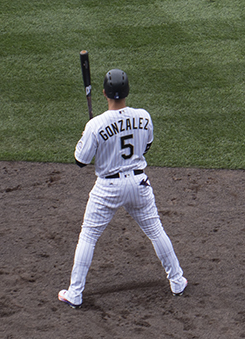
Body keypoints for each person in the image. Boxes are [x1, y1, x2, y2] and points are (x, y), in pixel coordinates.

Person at [58, 68, 187, 308]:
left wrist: (90, 135)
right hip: (139, 183)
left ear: (104, 93)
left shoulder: (96, 124)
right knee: (156, 231)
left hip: (108, 188)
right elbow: (145, 147)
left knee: (88, 236)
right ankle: (177, 281)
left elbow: (80, 160)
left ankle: (75, 293)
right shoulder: (144, 116)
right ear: (127, 91)